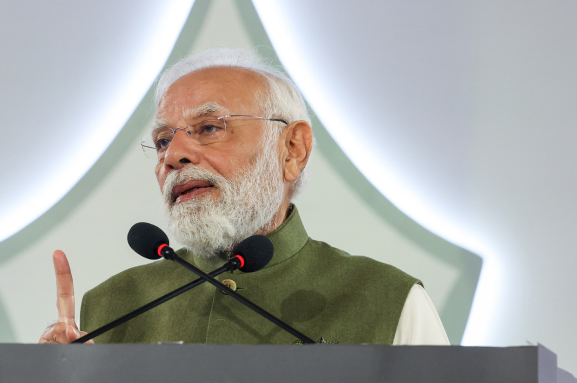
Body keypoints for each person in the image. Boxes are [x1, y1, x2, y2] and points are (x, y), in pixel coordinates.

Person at [39, 48, 448, 345]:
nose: (174, 155)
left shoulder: (390, 301)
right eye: (163, 140)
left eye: (209, 128)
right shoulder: (111, 309)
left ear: (292, 150)